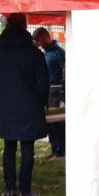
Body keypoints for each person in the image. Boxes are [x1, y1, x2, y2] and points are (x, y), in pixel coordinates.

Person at [0, 13, 49, 196]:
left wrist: (1, 96)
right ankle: (25, 190)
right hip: (31, 105)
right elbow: (43, 83)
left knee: (9, 145)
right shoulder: (35, 53)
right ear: (25, 26)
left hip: (7, 105)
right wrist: (40, 101)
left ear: (6, 25)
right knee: (28, 146)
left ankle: (10, 188)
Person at [32, 27, 66, 159]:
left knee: (57, 122)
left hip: (56, 91)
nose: (37, 43)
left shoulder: (59, 53)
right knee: (49, 122)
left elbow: (65, 71)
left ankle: (61, 150)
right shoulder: (44, 53)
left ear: (45, 37)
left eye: (38, 40)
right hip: (46, 91)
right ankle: (54, 148)